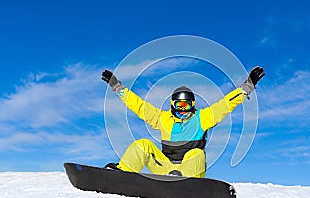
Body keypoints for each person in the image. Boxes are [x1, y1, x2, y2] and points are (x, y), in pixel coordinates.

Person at [102, 66, 265, 178]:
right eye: (179, 105)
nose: (183, 109)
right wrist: (118, 88)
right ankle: (122, 173)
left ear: (192, 105)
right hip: (166, 169)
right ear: (172, 105)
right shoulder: (162, 118)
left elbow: (226, 104)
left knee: (196, 153)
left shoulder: (203, 117)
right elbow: (138, 105)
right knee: (143, 144)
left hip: (190, 173)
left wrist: (247, 88)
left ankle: (182, 180)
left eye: (186, 105)